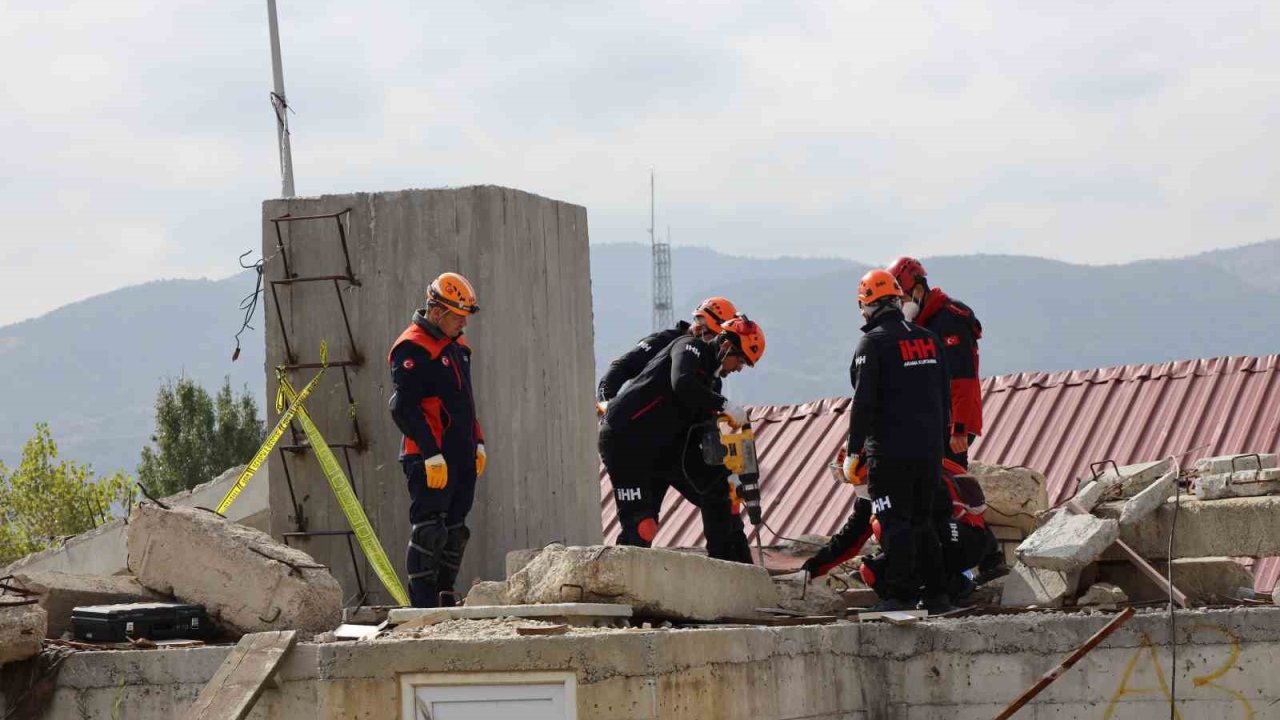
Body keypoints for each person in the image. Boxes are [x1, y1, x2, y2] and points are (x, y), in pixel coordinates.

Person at [599, 315, 765, 563]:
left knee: (719, 490)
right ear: (727, 346)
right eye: (740, 360)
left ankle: (729, 567)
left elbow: (702, 429)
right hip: (626, 441)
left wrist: (726, 470)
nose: (739, 367)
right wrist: (724, 405)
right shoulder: (689, 347)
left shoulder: (710, 380)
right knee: (642, 525)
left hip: (663, 444)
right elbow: (683, 383)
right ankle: (620, 584)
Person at [888, 256, 1006, 582]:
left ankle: (990, 559)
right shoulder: (921, 324)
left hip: (950, 423)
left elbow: (963, 380)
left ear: (919, 289)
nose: (901, 305)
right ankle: (967, 560)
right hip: (930, 422)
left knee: (954, 491)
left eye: (903, 297)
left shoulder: (948, 320)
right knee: (939, 492)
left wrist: (960, 428)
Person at [844, 268, 952, 613]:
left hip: (890, 453)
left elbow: (863, 403)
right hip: (929, 450)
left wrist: (852, 450)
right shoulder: (929, 339)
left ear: (867, 305)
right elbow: (945, 395)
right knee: (924, 521)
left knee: (895, 522)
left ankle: (902, 595)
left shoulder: (872, 343)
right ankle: (937, 593)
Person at [388, 272, 486, 608]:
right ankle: (423, 605)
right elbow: (402, 407)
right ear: (438, 311)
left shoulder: (458, 345)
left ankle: (445, 596)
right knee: (430, 530)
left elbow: (465, 401)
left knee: (456, 531)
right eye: (459, 317)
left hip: (461, 453)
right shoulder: (412, 347)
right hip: (429, 456)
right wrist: (430, 454)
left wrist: (478, 440)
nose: (463, 324)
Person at [801, 457, 995, 605]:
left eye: (860, 480)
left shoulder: (916, 474)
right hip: (938, 541)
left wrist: (992, 561)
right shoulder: (873, 498)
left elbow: (958, 517)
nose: (857, 487)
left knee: (903, 529)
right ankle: (942, 588)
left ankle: (947, 588)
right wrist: (812, 568)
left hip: (963, 539)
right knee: (871, 571)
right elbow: (849, 539)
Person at [596, 297, 738, 415]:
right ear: (701, 328)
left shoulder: (711, 373)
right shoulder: (663, 342)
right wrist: (605, 401)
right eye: (716, 337)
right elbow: (623, 366)